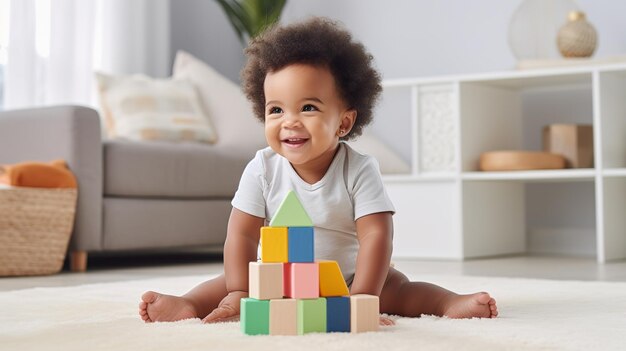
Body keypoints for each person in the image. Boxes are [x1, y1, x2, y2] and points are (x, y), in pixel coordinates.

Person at [139, 17, 498, 324]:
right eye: (275, 110)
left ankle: (449, 303)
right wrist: (239, 291)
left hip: (349, 280)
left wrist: (363, 298)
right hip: (280, 280)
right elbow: (242, 236)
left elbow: (376, 237)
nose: (289, 122)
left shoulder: (359, 169)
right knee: (225, 283)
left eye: (307, 107)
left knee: (400, 289)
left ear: (343, 122)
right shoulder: (262, 168)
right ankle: (188, 304)